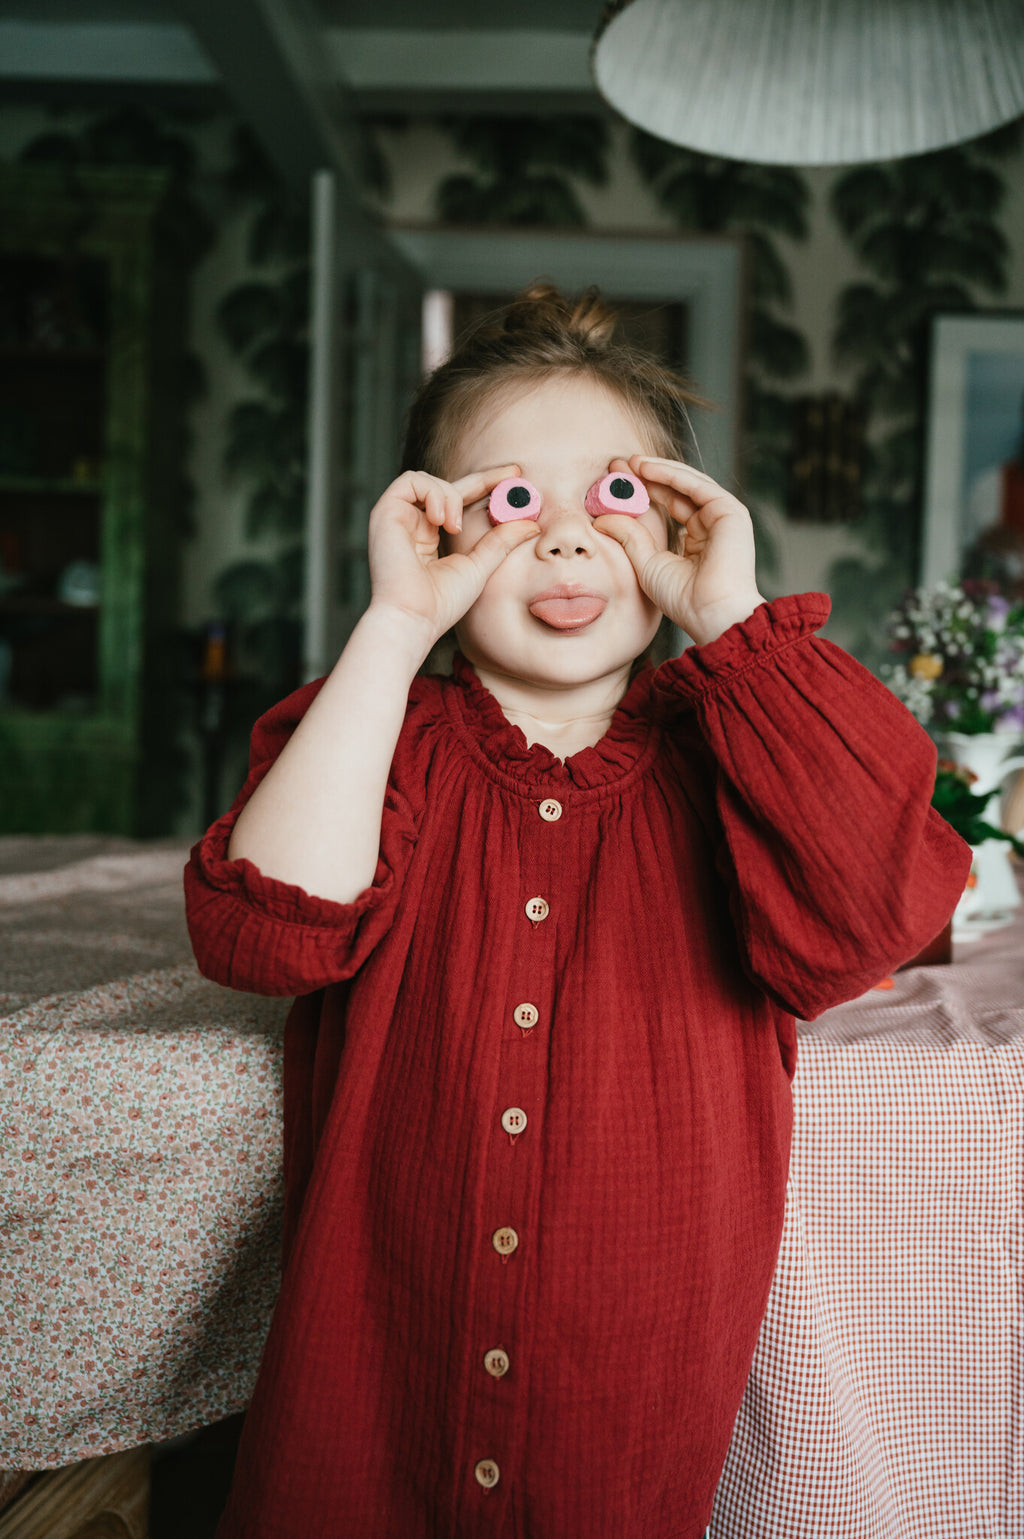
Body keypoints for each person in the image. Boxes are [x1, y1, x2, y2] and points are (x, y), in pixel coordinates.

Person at [184, 283, 970, 1539]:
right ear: (431, 528)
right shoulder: (383, 738)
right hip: (373, 1372)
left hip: (630, 1390)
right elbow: (267, 933)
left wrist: (732, 620)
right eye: (509, 503)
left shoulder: (734, 760)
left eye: (612, 498)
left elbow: (879, 904)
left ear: (679, 524)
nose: (562, 543)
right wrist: (394, 627)